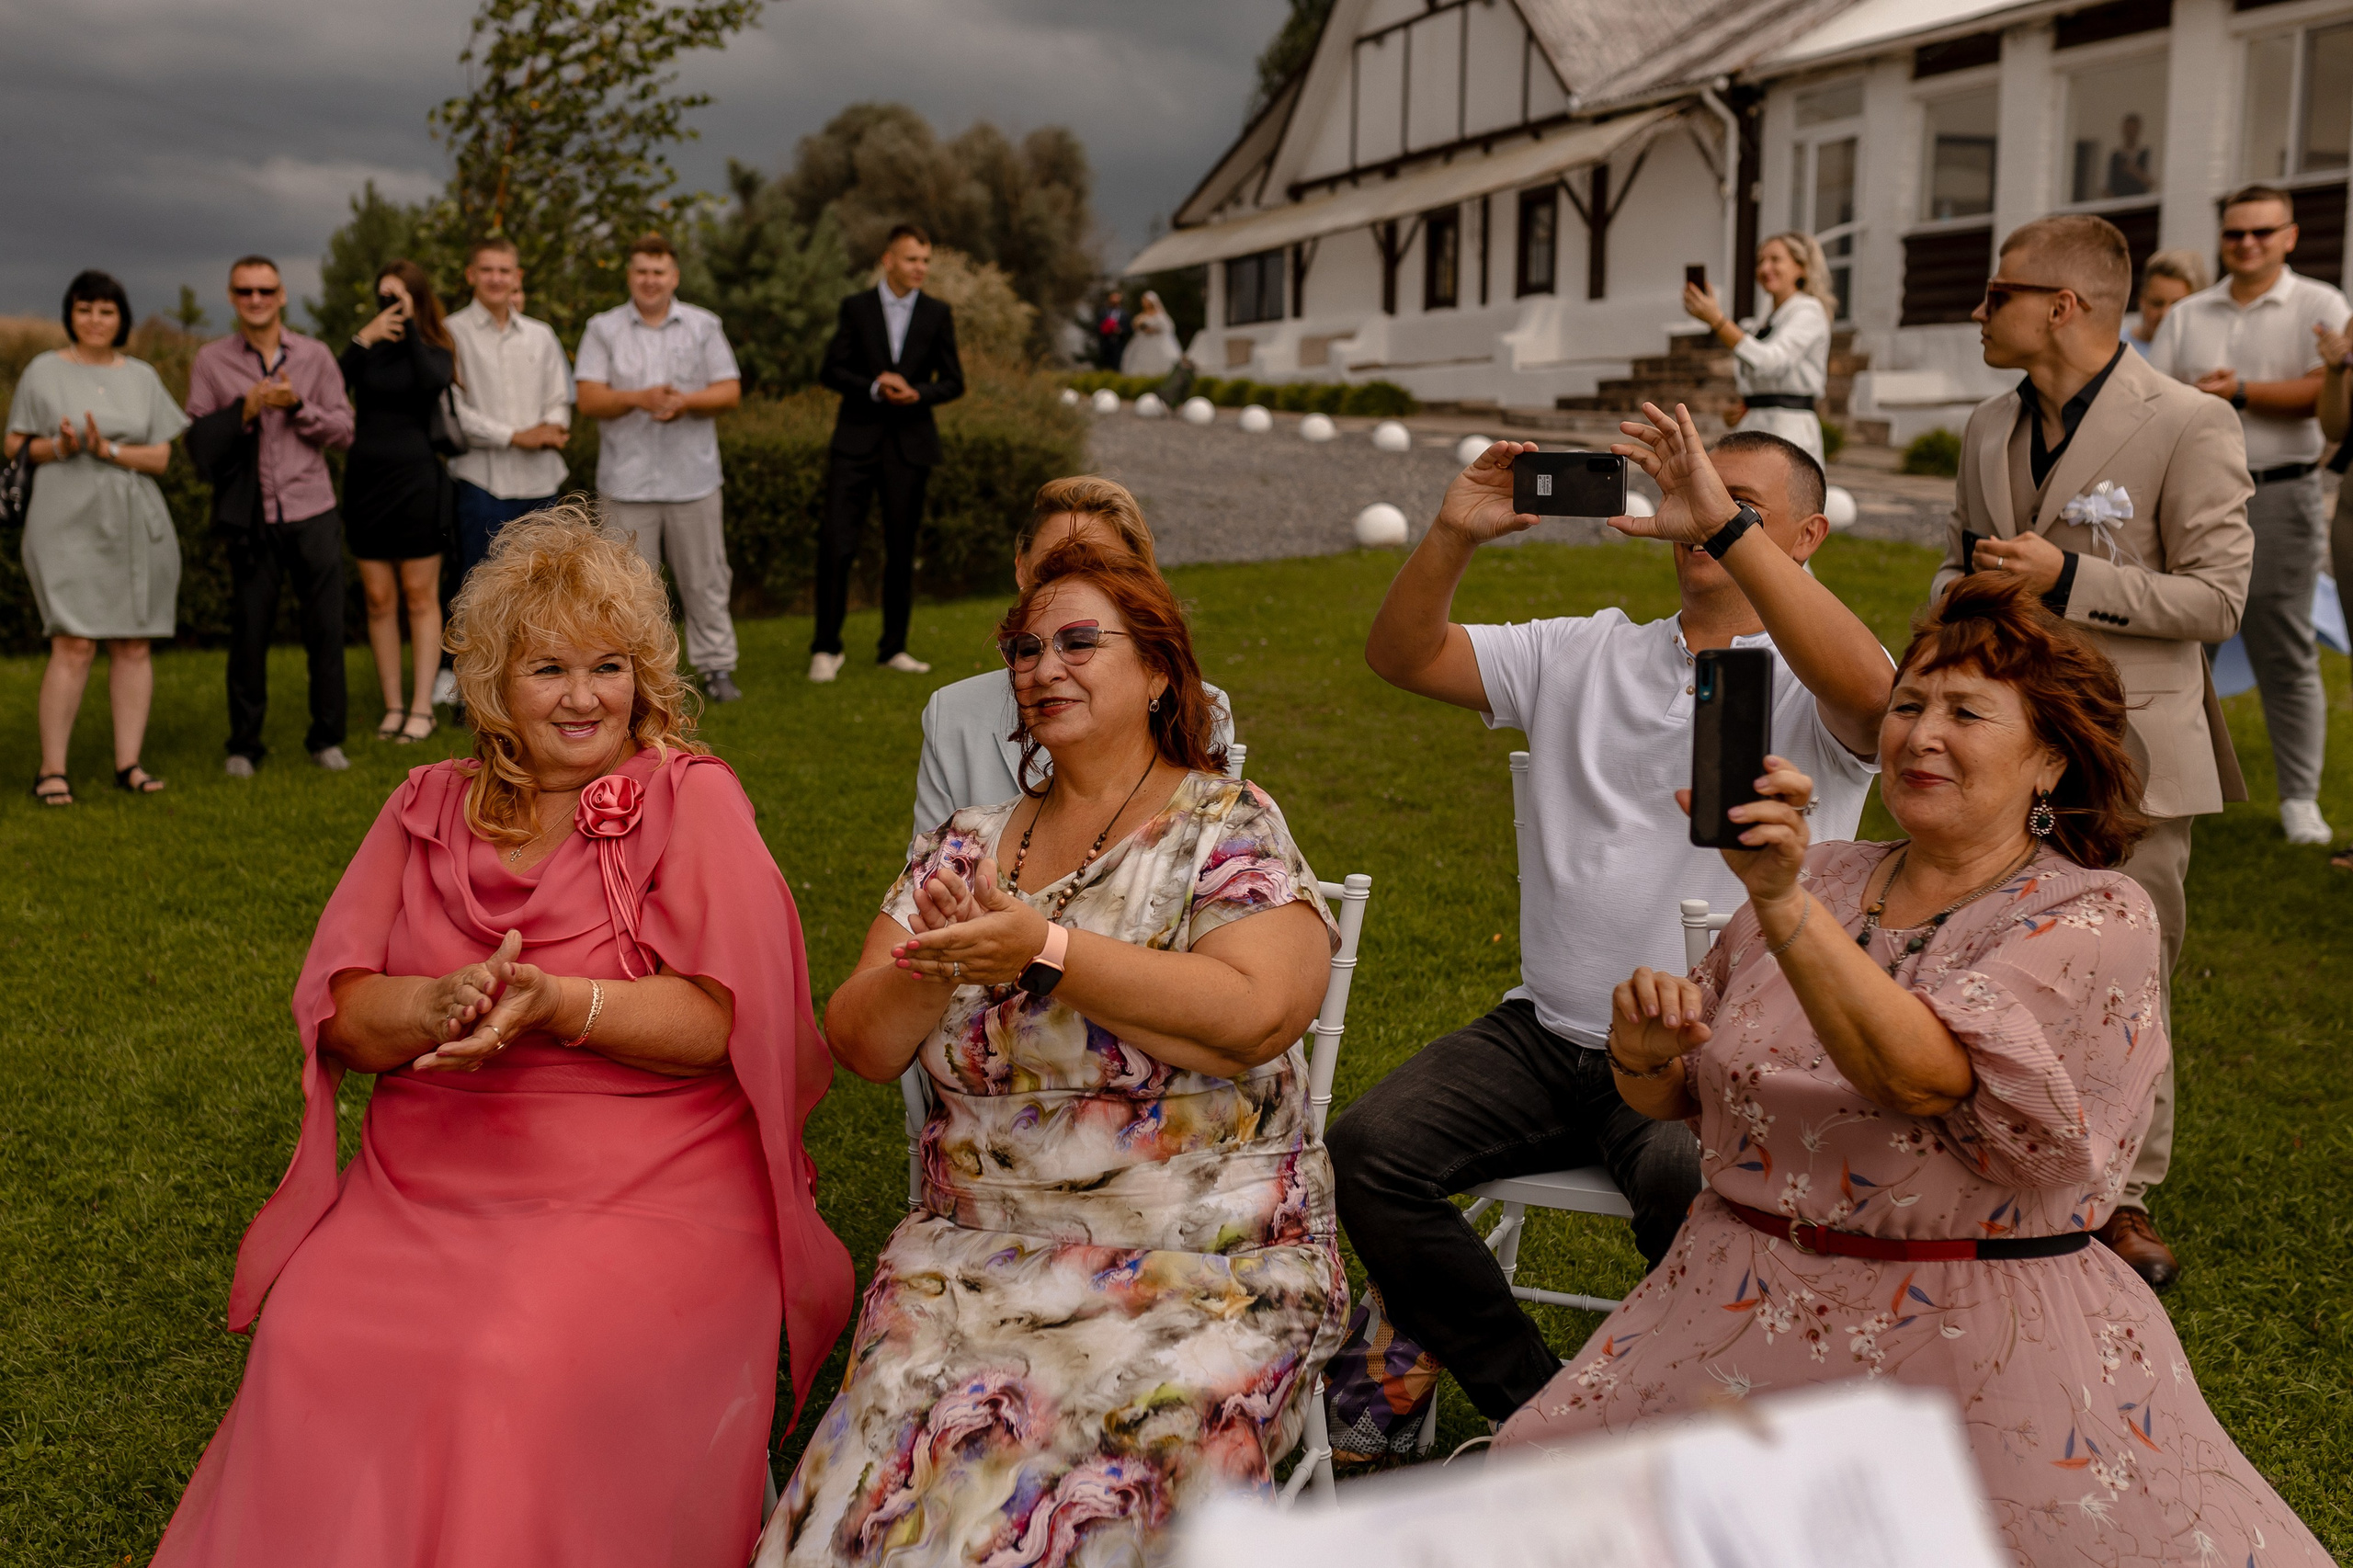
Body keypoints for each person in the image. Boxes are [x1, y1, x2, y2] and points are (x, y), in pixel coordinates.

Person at [1492, 574, 2330, 1568]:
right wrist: (1640, 1051)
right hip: (1729, 1300)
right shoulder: (1832, 874)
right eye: (1907, 705)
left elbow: (1927, 1076)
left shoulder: (2093, 914)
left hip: (1961, 1335)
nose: (1919, 733)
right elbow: (1685, 1093)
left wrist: (1779, 899)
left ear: (2050, 759)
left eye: (1965, 711)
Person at [151, 507, 854, 1567]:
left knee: (505, 1350)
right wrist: (436, 1003)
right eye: (549, 669)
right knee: (312, 1329)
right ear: (491, 686)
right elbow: (341, 1007)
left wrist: (560, 1001)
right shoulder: (422, 804)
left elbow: (725, 1021)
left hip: (646, 1173)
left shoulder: (687, 798)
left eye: (608, 666)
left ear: (644, 673)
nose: (584, 697)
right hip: (428, 1173)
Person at [1324, 410, 1893, 1458]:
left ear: (1804, 539)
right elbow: (1402, 655)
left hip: (1709, 1047)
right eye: (1691, 492)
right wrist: (1450, 532)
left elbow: (1876, 699)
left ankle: (1703, 1415)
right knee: (1368, 1148)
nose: (1697, 514)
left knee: (1691, 1183)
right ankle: (1546, 1414)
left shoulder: (1813, 681)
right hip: (1546, 1031)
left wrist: (1726, 532)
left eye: (1737, 506)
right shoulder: (1580, 650)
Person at [768, 542, 1344, 1565]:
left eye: (1080, 639)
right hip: (970, 1258)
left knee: (1066, 1502)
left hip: (1202, 1257)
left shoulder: (1225, 823)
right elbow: (859, 1040)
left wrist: (1042, 949)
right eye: (1024, 647)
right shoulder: (969, 841)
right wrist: (937, 968)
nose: (1043, 665)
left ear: (1161, 669)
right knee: (864, 1514)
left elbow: (1260, 1013)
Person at [1937, 213, 2254, 1290]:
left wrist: (2064, 579)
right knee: (1996, 961)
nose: (1979, 312)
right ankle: (2008, 1155)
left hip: (2137, 747)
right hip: (2003, 747)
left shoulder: (2189, 421)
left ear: (2061, 305)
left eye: (1996, 295)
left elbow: (2218, 599)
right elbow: (1951, 565)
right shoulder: (1986, 425)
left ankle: (2123, 1196)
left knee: (2132, 975)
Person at [2147, 184, 2346, 847]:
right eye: (2236, 234)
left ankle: (2299, 802)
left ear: (2290, 235)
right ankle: (2168, 786)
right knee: (2177, 646)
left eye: (2263, 232)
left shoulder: (2320, 302)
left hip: (2283, 492)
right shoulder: (2190, 313)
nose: (2248, 244)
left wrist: (2240, 392)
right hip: (2195, 497)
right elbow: (2159, 400)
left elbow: (2329, 393)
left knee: (2283, 648)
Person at [912, 474, 1233, 839]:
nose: (1070, 581)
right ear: (1021, 568)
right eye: (1054, 565)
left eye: (1100, 568)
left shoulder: (1199, 712)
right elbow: (928, 872)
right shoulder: (952, 714)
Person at [6, 269, 188, 804]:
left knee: (133, 644)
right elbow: (15, 443)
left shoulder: (142, 376)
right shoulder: (43, 371)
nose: (95, 319)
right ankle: (51, 771)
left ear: (121, 318)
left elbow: (160, 456)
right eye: (85, 309)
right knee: (73, 642)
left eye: (106, 310)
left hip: (135, 523)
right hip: (63, 520)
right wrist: (62, 447)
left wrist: (105, 448)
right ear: (71, 314)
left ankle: (128, 763)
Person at [185, 255, 357, 776]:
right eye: (245, 292)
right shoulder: (211, 361)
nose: (255, 300)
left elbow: (346, 431)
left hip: (313, 507)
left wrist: (298, 407)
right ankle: (243, 746)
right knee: (250, 632)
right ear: (233, 298)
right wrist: (245, 409)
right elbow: (198, 442)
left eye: (265, 291)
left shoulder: (316, 355)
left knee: (326, 629)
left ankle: (327, 739)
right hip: (252, 515)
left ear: (282, 296)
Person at [576, 233, 745, 703]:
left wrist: (685, 401)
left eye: (659, 272)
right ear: (630, 276)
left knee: (706, 578)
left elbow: (729, 390)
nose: (650, 281)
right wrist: (638, 398)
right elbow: (588, 398)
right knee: (625, 590)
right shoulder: (603, 328)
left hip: (693, 480)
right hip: (626, 482)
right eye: (642, 271)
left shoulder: (703, 325)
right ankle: (637, 676)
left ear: (674, 277)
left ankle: (716, 668)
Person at [812, 222, 966, 683]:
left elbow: (955, 381)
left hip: (910, 447)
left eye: (925, 260)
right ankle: (826, 647)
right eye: (912, 259)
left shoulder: (938, 313)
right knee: (836, 546)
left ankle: (893, 648)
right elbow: (831, 370)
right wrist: (877, 386)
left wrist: (917, 393)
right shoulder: (855, 308)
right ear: (888, 260)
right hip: (855, 443)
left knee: (902, 551)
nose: (920, 268)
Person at [341, 259, 457, 744]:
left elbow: (433, 382)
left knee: (418, 594)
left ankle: (420, 708)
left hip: (415, 481)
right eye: (383, 297)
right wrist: (363, 337)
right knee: (379, 598)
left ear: (416, 298)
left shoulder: (433, 346)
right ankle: (392, 705)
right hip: (366, 480)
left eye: (399, 297)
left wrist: (410, 326)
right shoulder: (365, 348)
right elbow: (327, 382)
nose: (389, 305)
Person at [447, 236, 573, 578]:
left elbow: (559, 399)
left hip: (541, 485)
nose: (496, 278)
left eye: (504, 271)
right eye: (486, 270)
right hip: (482, 485)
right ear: (471, 274)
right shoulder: (450, 333)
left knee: (546, 592)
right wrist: (516, 436)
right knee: (481, 591)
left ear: (517, 276)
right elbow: (454, 412)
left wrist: (550, 428)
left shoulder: (541, 335)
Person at [1682, 231, 1836, 465]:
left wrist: (1718, 321)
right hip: (1753, 427)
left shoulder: (1809, 312)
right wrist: (1745, 406)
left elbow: (1769, 362)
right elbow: (1755, 371)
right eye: (1761, 261)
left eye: (1775, 259)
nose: (1765, 268)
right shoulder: (1759, 322)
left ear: (1800, 267)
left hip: (1790, 431)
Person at [2128, 247, 2207, 357]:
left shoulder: (2202, 356)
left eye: (2177, 306)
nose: (2165, 314)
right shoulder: (2112, 348)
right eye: (2157, 303)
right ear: (2142, 300)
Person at [1119, 288, 1183, 378]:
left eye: (1146, 300)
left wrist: (1153, 330)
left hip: (1158, 343)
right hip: (1142, 343)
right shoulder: (1141, 316)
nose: (1144, 302)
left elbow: (1169, 328)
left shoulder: (1160, 315)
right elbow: (1135, 327)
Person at [2106, 111, 2153, 198]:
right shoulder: (2115, 156)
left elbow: (2152, 183)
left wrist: (2135, 172)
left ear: (2138, 130)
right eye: (2128, 129)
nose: (2130, 132)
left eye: (2133, 129)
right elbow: (2106, 187)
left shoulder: (2146, 154)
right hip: (2118, 205)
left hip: (2140, 204)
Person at [1096, 286, 1131, 370]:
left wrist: (1120, 331)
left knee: (1118, 364)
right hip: (1106, 343)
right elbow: (1097, 326)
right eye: (1113, 297)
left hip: (1119, 343)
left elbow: (1128, 329)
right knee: (1105, 365)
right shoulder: (1103, 312)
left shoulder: (1125, 314)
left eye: (1116, 297)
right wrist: (1105, 330)